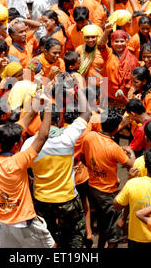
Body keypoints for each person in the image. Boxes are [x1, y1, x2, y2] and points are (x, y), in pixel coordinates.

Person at [20, 80, 91, 248]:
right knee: (75, 233)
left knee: (48, 237)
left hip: (42, 200)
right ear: (59, 119)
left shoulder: (28, 143)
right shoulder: (68, 136)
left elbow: (25, 168)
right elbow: (87, 113)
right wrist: (77, 89)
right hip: (68, 199)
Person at [0, 89, 55, 248]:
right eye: (22, 138)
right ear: (17, 145)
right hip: (24, 222)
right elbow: (42, 137)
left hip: (3, 222)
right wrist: (48, 105)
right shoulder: (20, 161)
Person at [81, 108, 134, 248]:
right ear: (117, 127)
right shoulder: (114, 147)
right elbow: (131, 165)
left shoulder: (89, 137)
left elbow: (82, 157)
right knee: (114, 232)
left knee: (102, 223)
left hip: (92, 188)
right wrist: (131, 152)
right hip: (108, 192)